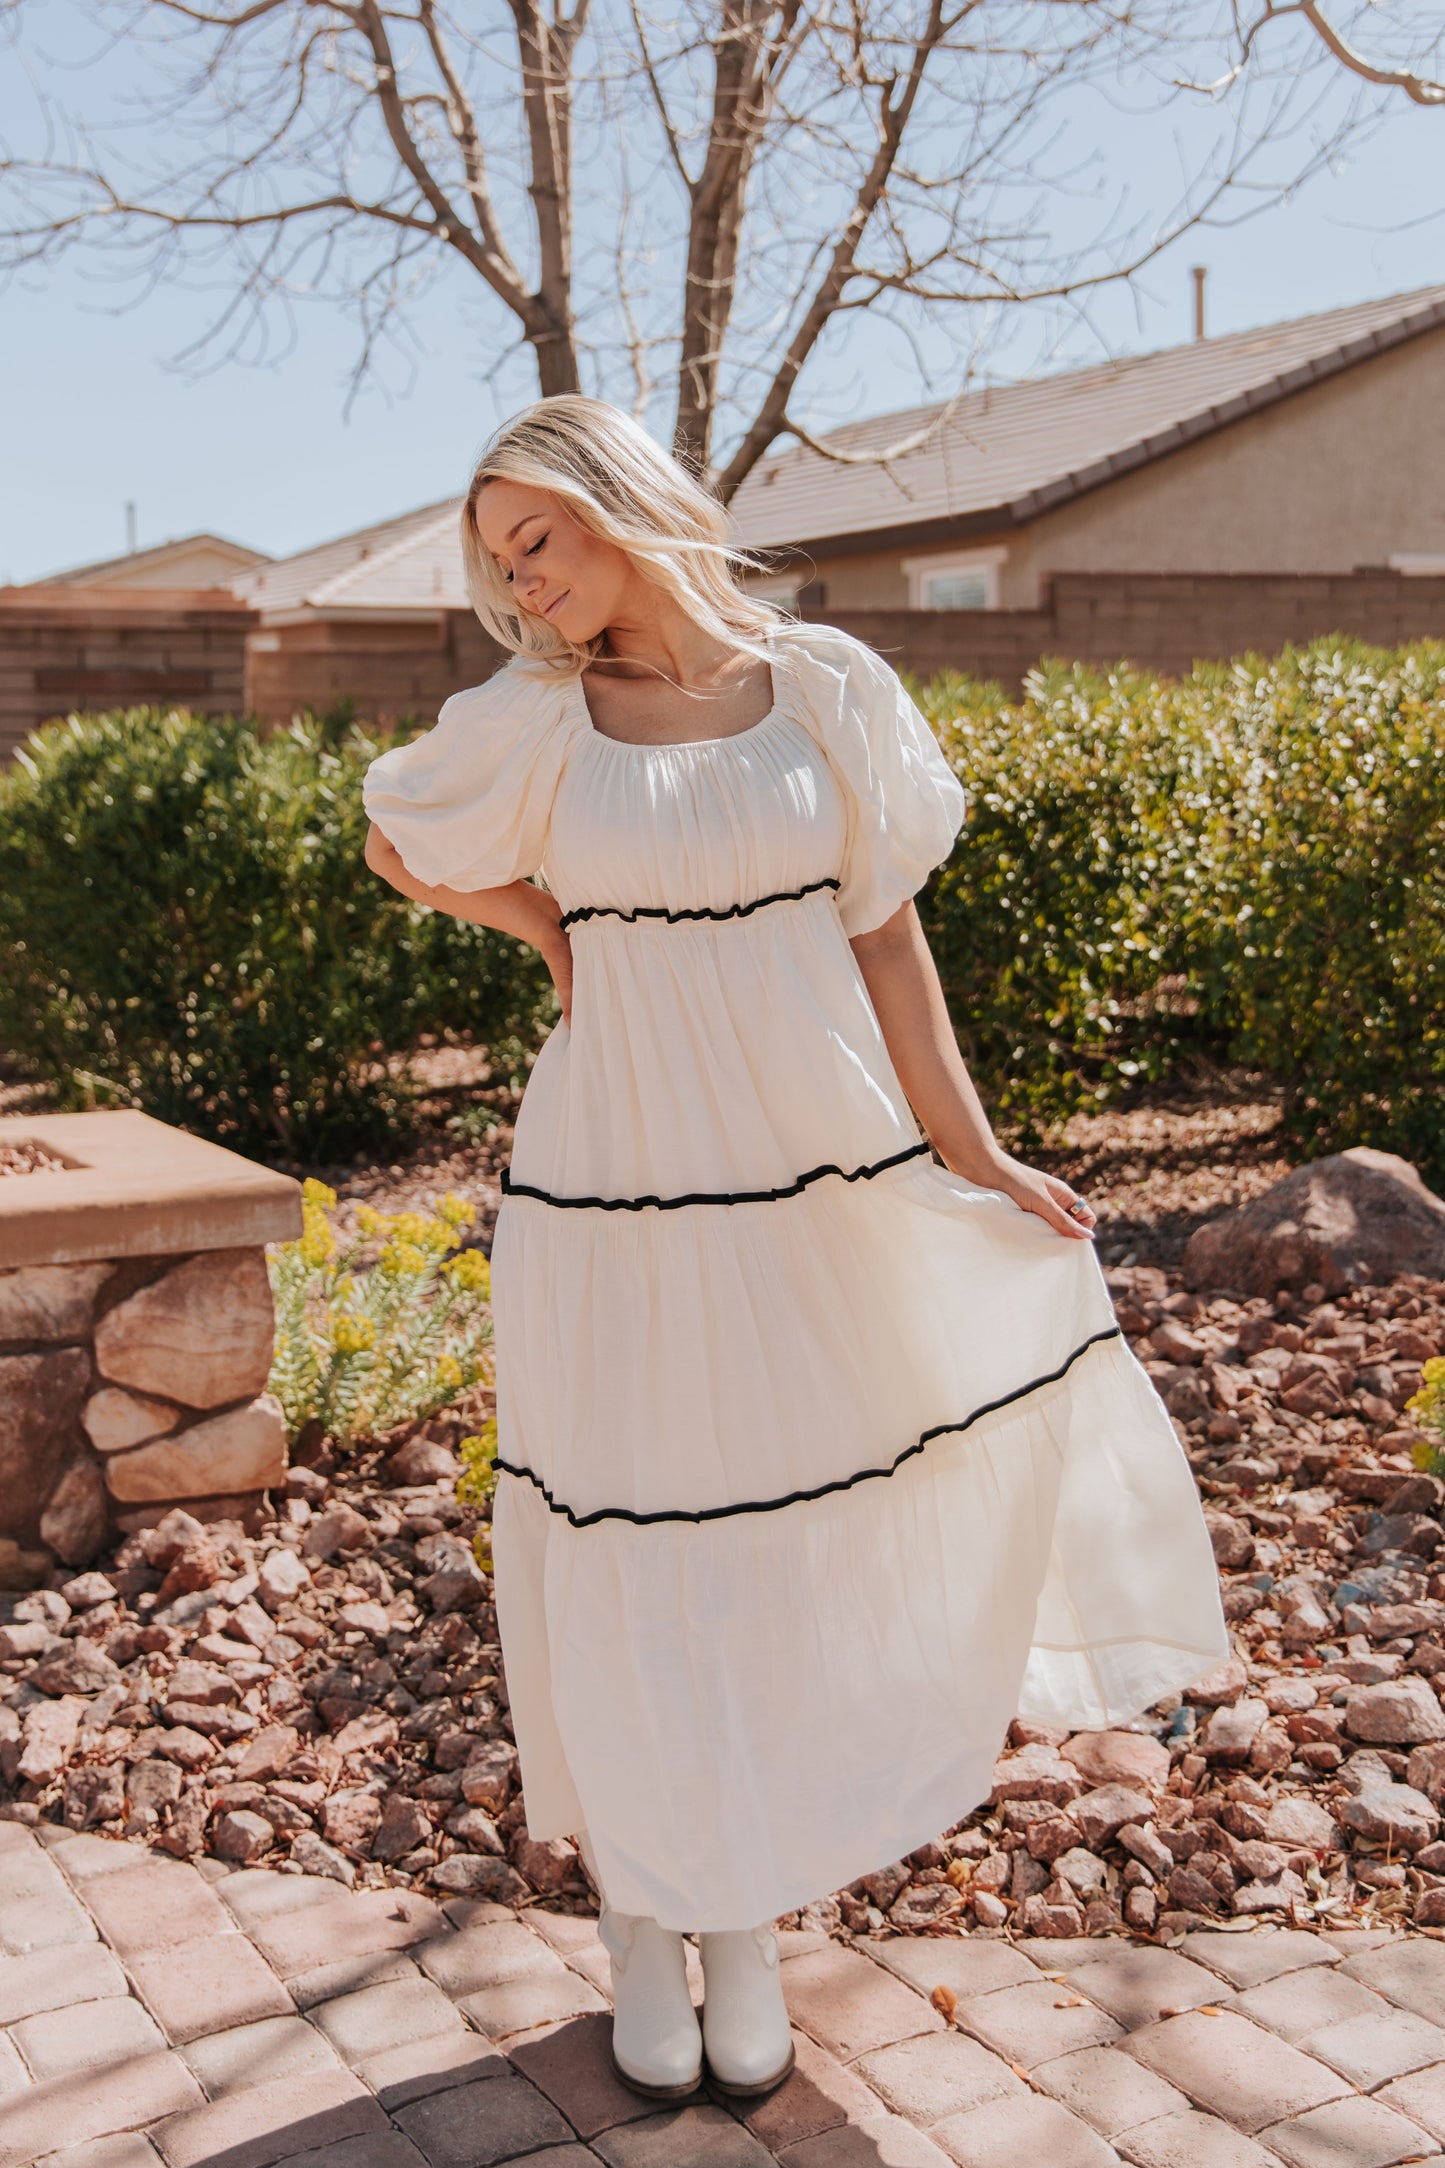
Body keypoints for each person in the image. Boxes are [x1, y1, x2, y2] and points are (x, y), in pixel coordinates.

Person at [361, 395, 1229, 2102]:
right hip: (610, 1174)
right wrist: (553, 928)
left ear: (622, 505)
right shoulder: (535, 719)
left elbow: (888, 941)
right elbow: (397, 841)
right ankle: (638, 1906)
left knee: (786, 1526)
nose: (518, 583)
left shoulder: (826, 687)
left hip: (806, 1159)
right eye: (496, 560)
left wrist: (970, 1153)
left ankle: (737, 1904)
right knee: (627, 1526)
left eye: (537, 537)